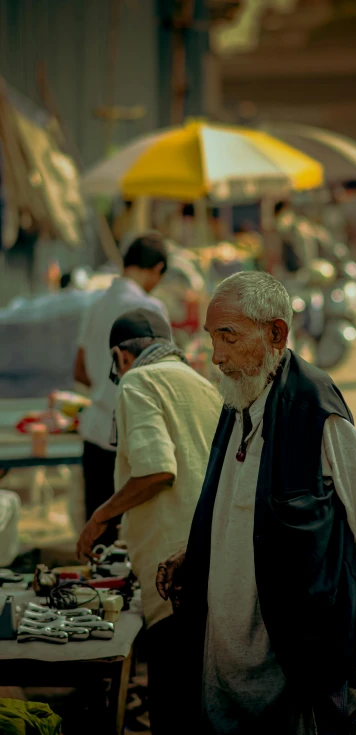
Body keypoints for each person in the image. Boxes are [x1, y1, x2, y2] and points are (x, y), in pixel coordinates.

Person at [156, 271, 356, 734]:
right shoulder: (241, 397)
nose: (217, 356)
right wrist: (198, 554)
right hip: (228, 630)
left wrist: (323, 585)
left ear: (276, 333)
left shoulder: (314, 408)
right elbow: (234, 506)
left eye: (228, 337)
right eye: (212, 338)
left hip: (291, 639)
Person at [77, 307, 222, 733]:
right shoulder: (200, 383)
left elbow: (158, 470)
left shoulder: (138, 381)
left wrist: (99, 518)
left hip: (173, 575)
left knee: (175, 711)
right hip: (213, 560)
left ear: (121, 357)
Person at [74, 232, 169, 547]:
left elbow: (80, 369)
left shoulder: (97, 303)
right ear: (155, 269)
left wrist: (105, 382)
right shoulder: (150, 309)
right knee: (132, 541)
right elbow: (164, 376)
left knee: (98, 540)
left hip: (95, 431)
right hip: (132, 438)